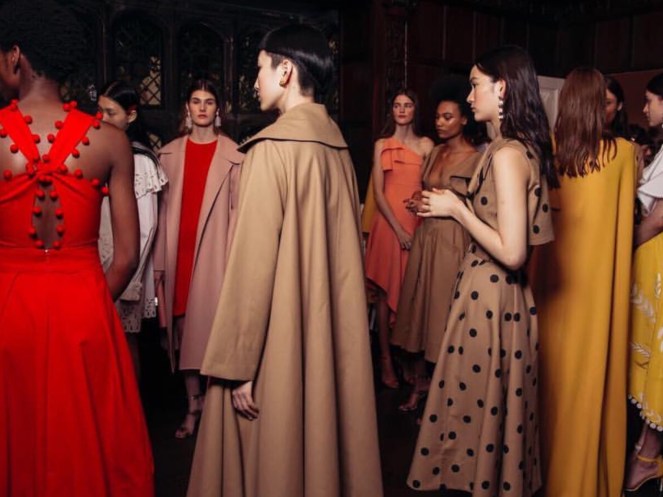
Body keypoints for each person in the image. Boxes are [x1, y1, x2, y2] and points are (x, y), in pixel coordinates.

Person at [186, 24, 383, 497]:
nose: (254, 81)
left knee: (270, 455)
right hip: (325, 335)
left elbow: (252, 266)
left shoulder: (270, 151)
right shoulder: (338, 149)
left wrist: (237, 365)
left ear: (286, 70)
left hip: (276, 341)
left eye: (259, 69)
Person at [0, 1, 154, 496]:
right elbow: (127, 255)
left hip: (8, 311)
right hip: (85, 309)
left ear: (16, 55)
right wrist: (88, 299)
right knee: (85, 438)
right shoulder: (110, 142)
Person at [407, 45, 556, 496]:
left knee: (473, 411)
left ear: (502, 88)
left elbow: (513, 252)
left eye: (475, 86)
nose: (470, 97)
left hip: (491, 301)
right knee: (479, 414)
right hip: (492, 299)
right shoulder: (508, 149)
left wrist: (457, 209)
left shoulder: (508, 154)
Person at [533, 67, 636, 497]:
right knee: (588, 383)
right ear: (597, 103)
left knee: (545, 383)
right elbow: (624, 232)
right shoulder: (624, 153)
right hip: (596, 295)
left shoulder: (545, 149)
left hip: (548, 287)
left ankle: (539, 474)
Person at [153, 78, 243, 439]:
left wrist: (234, 262)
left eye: (208, 101)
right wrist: (158, 264)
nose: (202, 107)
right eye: (195, 101)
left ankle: (216, 412)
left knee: (211, 331)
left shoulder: (235, 154)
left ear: (217, 109)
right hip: (178, 252)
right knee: (183, 331)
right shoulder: (168, 154)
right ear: (187, 108)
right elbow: (159, 214)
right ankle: (193, 406)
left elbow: (239, 213)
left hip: (215, 254)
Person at [391, 75, 484, 411]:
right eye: (437, 117)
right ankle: (420, 384)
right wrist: (418, 200)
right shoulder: (435, 152)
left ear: (464, 120)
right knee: (418, 312)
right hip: (426, 237)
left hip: (453, 242)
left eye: (448, 117)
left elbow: (479, 208)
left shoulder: (477, 159)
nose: (440, 123)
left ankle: (443, 396)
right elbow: (427, 190)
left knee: (442, 317)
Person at [97, 80, 167, 380]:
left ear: (132, 115)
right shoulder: (106, 152)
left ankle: (129, 407)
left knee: (124, 346)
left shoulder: (140, 161)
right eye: (99, 111)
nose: (102, 119)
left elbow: (146, 228)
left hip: (123, 273)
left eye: (111, 113)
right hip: (99, 266)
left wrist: (129, 283)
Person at [364, 88, 434, 389]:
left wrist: (418, 208)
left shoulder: (427, 145)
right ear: (391, 110)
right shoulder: (381, 144)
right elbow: (379, 194)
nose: (402, 110)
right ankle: (386, 361)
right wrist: (398, 229)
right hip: (388, 225)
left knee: (411, 292)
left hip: (416, 222)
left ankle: (407, 358)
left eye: (407, 105)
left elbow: (430, 185)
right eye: (397, 105)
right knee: (384, 294)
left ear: (415, 109)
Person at [625, 72, 663, 493]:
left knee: (659, 361)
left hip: (657, 258)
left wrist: (623, 251)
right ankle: (645, 448)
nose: (645, 107)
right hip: (652, 258)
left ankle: (648, 456)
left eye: (651, 100)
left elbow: (659, 217)